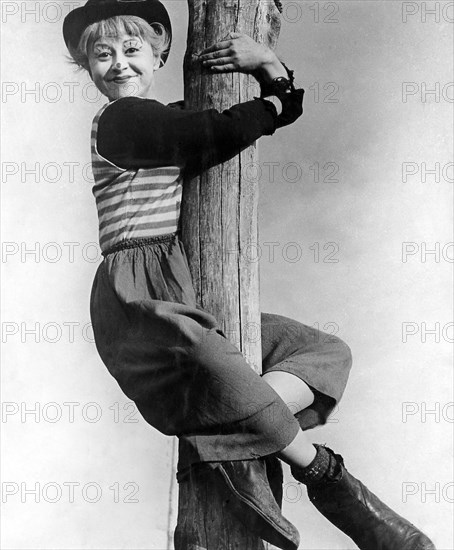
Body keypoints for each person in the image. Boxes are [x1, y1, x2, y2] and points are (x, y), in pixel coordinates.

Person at [63, 1, 435, 548]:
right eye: (102, 54)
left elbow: (229, 116)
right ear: (86, 66)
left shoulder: (167, 117)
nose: (118, 62)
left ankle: (222, 446)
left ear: (161, 47)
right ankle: (334, 483)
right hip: (138, 294)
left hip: (185, 283)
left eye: (132, 48)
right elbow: (221, 129)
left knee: (322, 350)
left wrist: (267, 68)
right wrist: (275, 96)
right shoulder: (124, 121)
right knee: (218, 367)